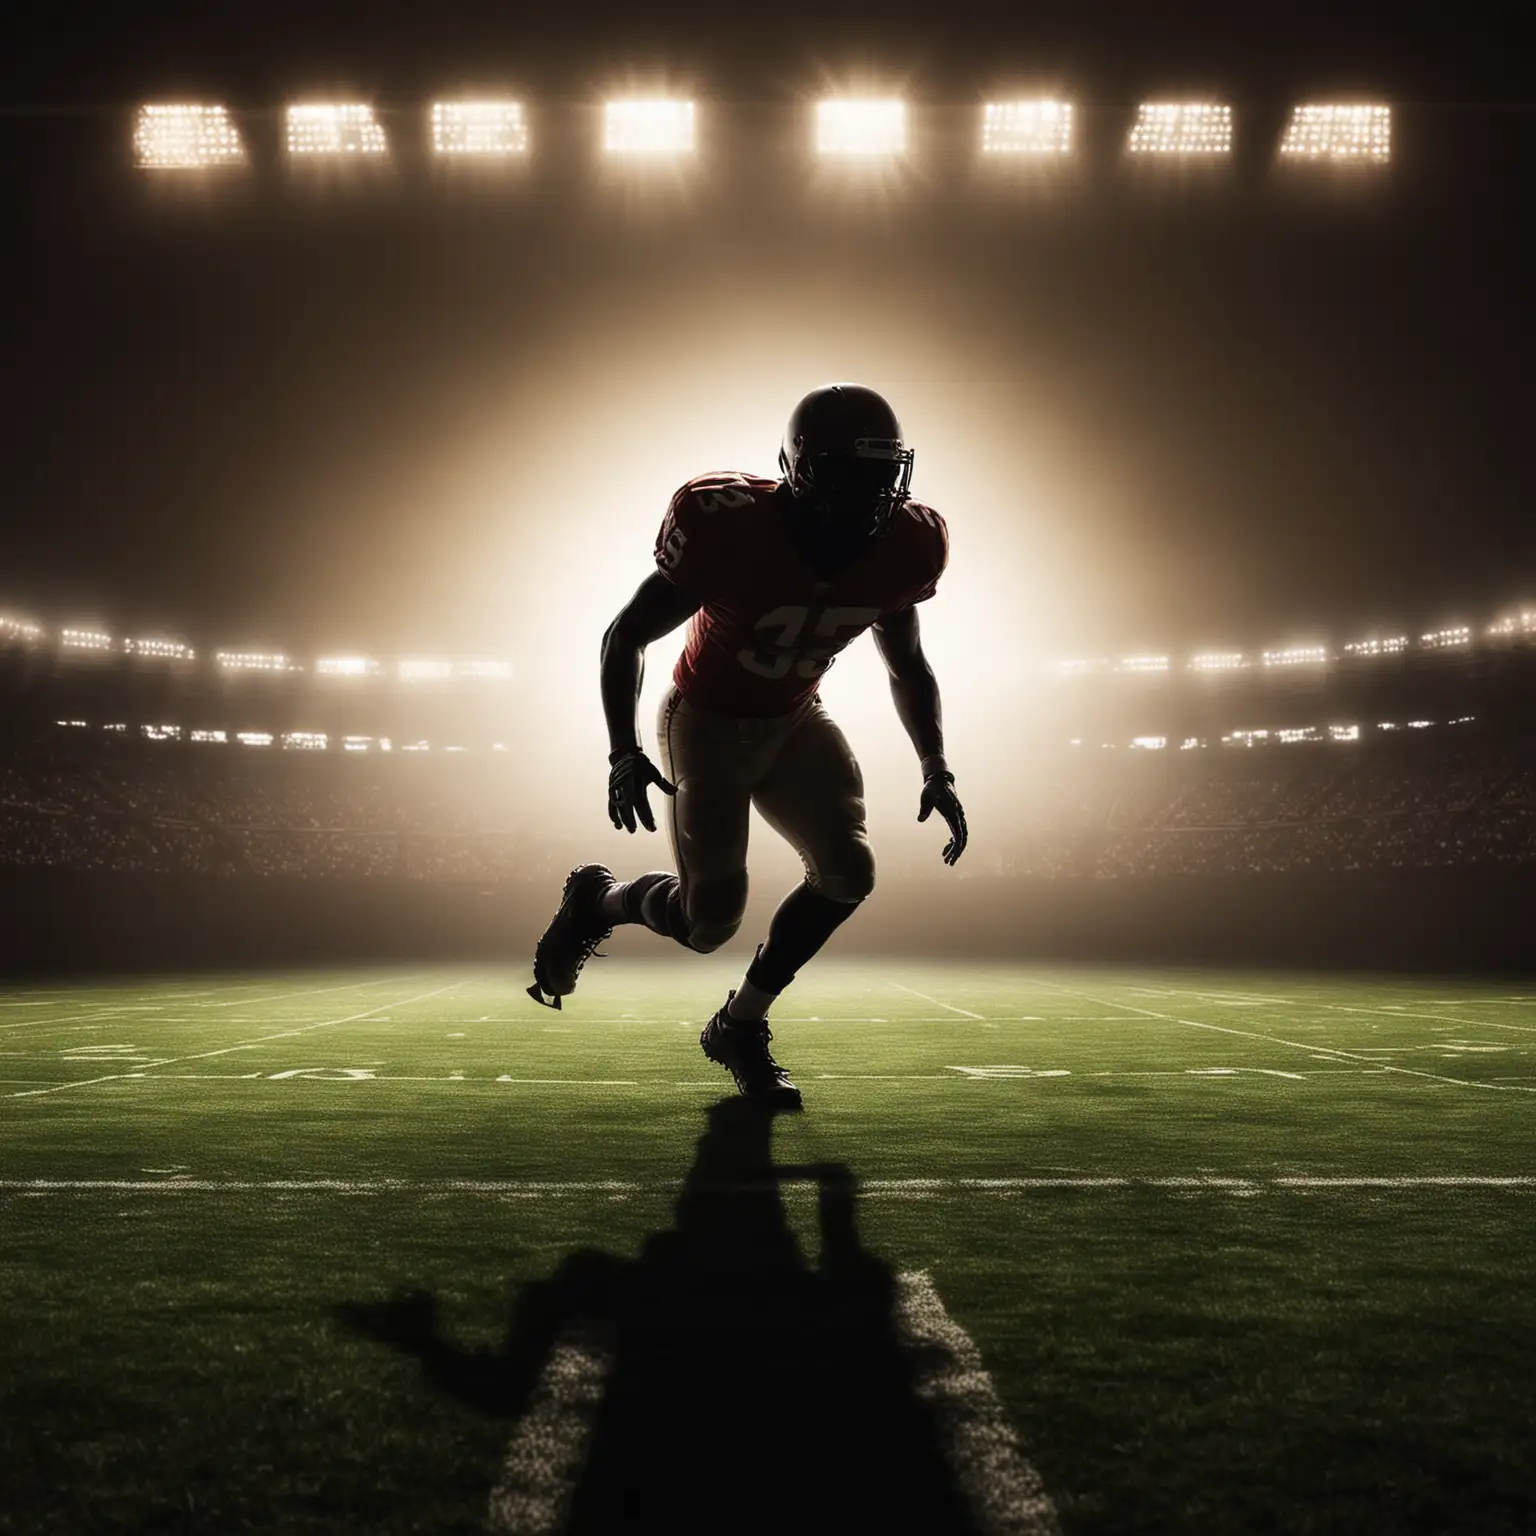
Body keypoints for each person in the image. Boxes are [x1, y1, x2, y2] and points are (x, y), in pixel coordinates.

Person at [528, 383, 967, 1108]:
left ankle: (739, 1025)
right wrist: (622, 751)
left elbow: (908, 666)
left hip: (796, 719)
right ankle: (595, 902)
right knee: (709, 925)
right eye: (844, 473)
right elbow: (625, 636)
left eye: (878, 474)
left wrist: (936, 766)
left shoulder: (907, 545)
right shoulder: (731, 525)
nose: (865, 493)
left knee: (848, 871)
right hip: (706, 722)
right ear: (797, 470)